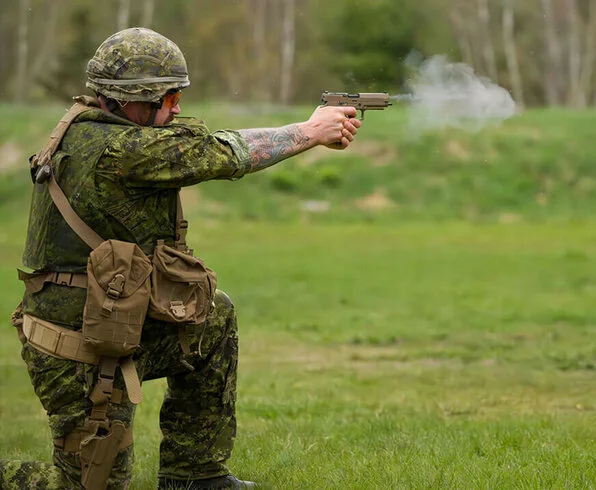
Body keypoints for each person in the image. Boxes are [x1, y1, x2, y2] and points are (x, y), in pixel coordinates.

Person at [0, 27, 361, 490]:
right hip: (78, 354)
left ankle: (196, 474)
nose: (176, 109)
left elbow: (206, 144)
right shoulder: (120, 150)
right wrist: (311, 131)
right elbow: (221, 153)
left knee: (213, 318)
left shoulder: (91, 128)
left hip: (107, 325)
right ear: (133, 100)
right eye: (168, 99)